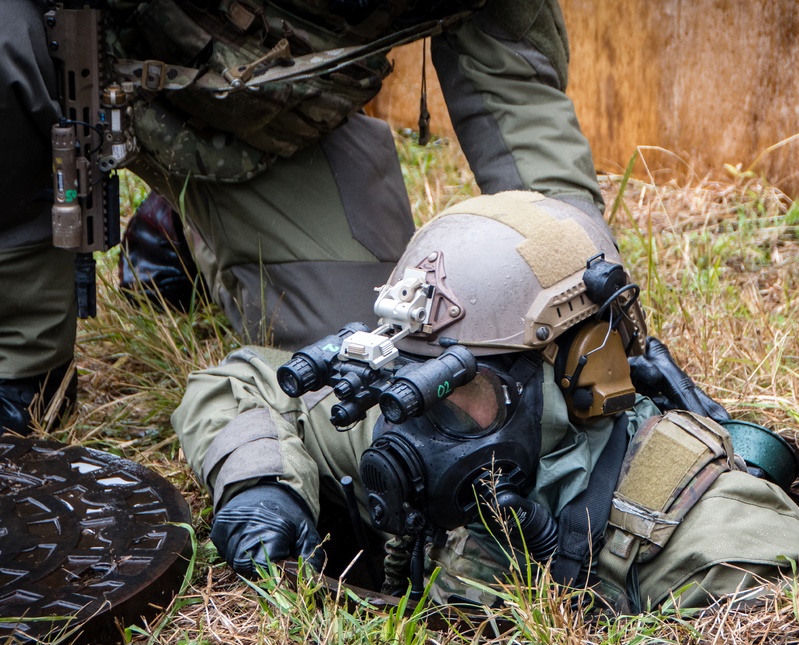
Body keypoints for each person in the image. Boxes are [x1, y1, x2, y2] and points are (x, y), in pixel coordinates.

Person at [172, 191, 799, 613]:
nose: (422, 419)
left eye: (461, 385)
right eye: (412, 376)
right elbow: (240, 382)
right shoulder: (407, 413)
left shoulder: (709, 535)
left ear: (578, 370)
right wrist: (260, 487)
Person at [0, 0, 606, 434]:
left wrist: (586, 298)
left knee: (362, 381)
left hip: (257, 118)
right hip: (61, 64)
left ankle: (190, 215)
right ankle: (22, 364)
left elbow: (515, 92)